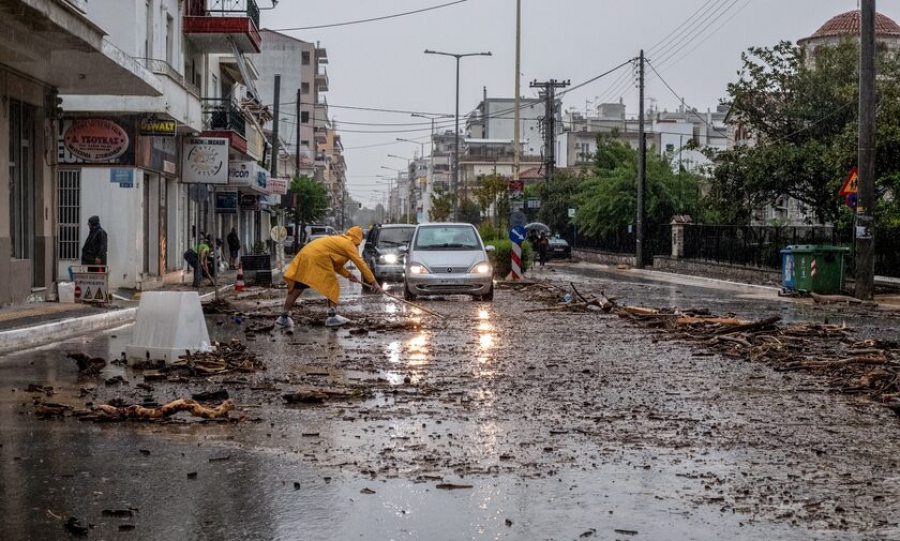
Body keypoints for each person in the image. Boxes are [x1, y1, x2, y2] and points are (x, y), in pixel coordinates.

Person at [277, 226, 382, 328]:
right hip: (316, 258)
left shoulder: (340, 241)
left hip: (306, 256)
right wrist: (374, 283)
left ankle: (284, 317)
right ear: (357, 240)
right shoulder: (349, 244)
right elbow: (361, 264)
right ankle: (332, 317)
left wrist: (349, 275)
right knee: (332, 285)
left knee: (297, 287)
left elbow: (335, 265)